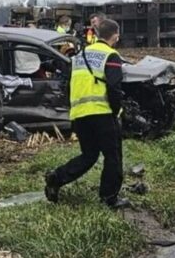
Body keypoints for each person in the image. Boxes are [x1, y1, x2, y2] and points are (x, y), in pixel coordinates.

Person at [44, 17, 129, 208]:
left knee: (89, 155)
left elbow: (68, 85)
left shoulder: (80, 56)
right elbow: (114, 87)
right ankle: (109, 198)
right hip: (102, 113)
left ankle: (56, 178)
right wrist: (117, 111)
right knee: (113, 156)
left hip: (80, 114)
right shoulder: (111, 55)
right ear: (115, 35)